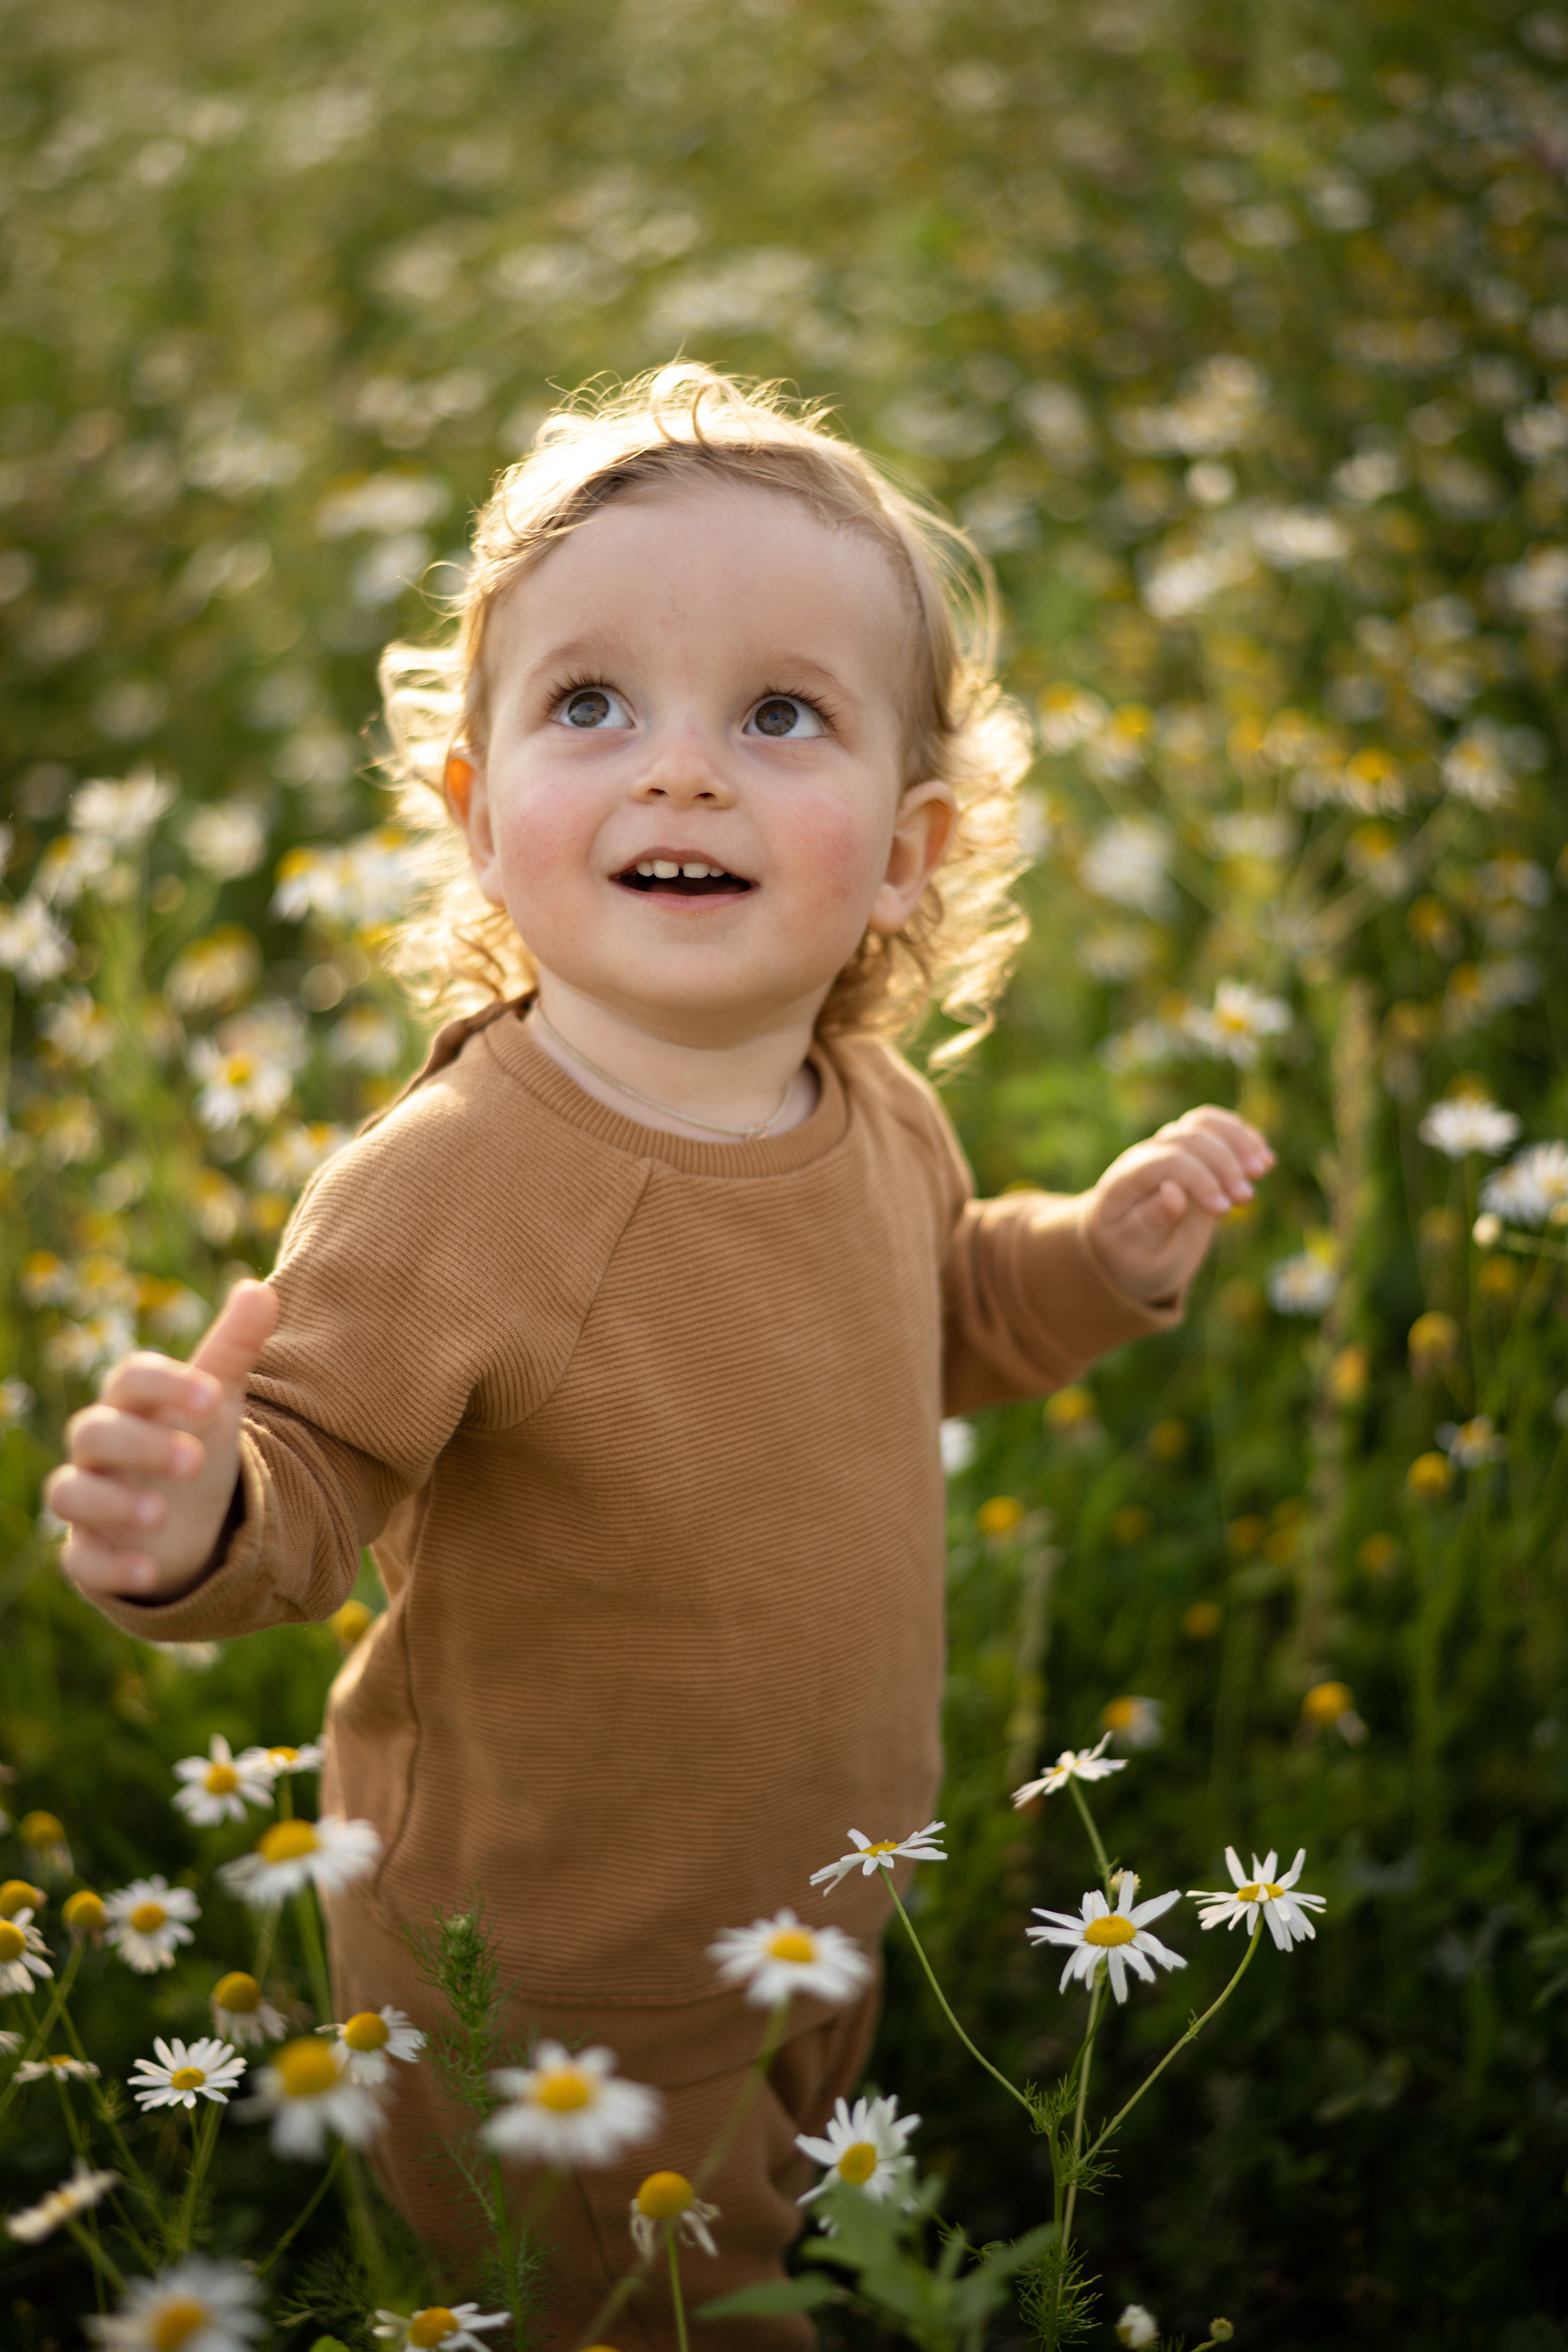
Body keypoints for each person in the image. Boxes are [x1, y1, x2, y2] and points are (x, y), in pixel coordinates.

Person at [47, 364, 1273, 2349]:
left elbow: (936, 1317)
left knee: (789, 2231)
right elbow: (314, 1475)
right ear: (475, 817)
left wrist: (1096, 1259)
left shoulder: (873, 1111)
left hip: (822, 1899)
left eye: (778, 716)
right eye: (593, 705)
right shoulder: (454, 1183)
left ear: (909, 849)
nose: (681, 773)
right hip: (553, 1983)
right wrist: (201, 1513)